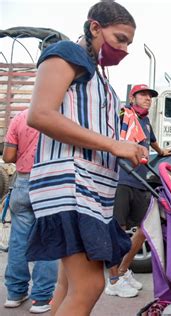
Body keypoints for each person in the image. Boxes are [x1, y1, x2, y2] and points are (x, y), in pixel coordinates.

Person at [25, 2, 147, 315]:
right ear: (94, 27)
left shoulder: (99, 74)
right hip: (72, 184)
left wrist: (124, 146)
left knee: (67, 286)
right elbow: (39, 114)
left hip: (90, 189)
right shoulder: (67, 52)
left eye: (129, 43)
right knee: (90, 285)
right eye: (120, 39)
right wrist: (114, 145)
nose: (124, 49)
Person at [105, 84, 171, 298]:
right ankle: (113, 280)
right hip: (121, 179)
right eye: (143, 95)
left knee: (145, 227)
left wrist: (162, 151)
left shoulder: (145, 122)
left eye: (150, 96)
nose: (148, 99)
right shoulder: (124, 114)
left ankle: (123, 270)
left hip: (138, 181)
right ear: (132, 97)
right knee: (117, 229)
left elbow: (151, 141)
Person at [2, 110, 58, 314]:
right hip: (49, 182)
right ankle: (41, 298)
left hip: (22, 183)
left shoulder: (19, 118)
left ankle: (15, 294)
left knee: (18, 241)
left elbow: (8, 156)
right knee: (48, 241)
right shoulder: (59, 117)